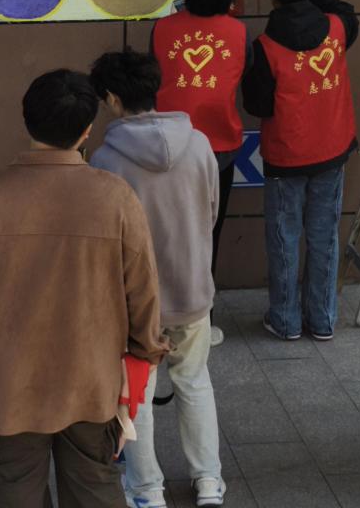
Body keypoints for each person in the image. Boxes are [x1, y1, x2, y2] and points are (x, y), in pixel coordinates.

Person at [0, 69, 169, 508]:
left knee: (15, 492)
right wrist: (142, 359)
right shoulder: (115, 197)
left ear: (27, 121)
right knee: (95, 490)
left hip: (7, 386)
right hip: (91, 382)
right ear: (87, 130)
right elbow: (143, 295)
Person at [90, 50, 225, 508]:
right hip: (193, 290)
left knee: (138, 397)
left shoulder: (106, 160)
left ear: (112, 98)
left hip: (136, 304)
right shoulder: (200, 145)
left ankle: (147, 490)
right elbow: (210, 214)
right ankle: (209, 482)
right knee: (195, 381)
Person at [242, 0, 359, 341]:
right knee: (324, 235)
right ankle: (322, 319)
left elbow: (258, 106)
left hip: (286, 156)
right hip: (332, 149)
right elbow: (344, 8)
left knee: (283, 237)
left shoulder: (264, 47)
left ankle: (286, 320)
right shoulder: (338, 28)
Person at [151, 0, 249, 347]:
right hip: (217, 150)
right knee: (208, 234)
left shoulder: (162, 29)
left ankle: (158, 316)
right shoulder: (239, 33)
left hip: (166, 147)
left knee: (163, 232)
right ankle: (202, 322)